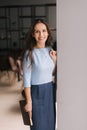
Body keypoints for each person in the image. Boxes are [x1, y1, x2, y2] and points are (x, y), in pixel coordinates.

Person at [22, 19, 57, 130]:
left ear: (47, 32)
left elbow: (52, 73)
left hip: (49, 91)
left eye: (44, 31)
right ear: (33, 34)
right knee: (38, 126)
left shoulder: (50, 50)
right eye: (37, 31)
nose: (41, 35)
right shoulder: (29, 54)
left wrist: (55, 61)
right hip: (36, 93)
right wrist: (29, 102)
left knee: (50, 125)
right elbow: (26, 81)